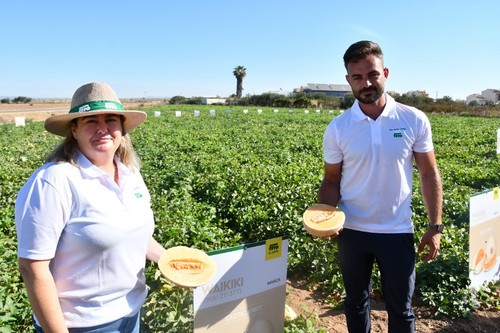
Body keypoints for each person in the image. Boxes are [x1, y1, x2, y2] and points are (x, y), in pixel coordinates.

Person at [15, 82, 166, 332]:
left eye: (111, 120)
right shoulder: (54, 181)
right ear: (74, 130)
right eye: (90, 121)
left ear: (122, 128)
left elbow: (135, 233)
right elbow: (33, 268)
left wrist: (175, 262)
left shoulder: (130, 173)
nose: (103, 129)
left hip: (131, 313)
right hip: (82, 325)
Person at [317, 41, 443, 333]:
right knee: (356, 303)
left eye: (372, 74)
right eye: (358, 77)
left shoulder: (412, 118)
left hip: (397, 230)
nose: (367, 83)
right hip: (353, 231)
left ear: (385, 72)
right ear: (348, 80)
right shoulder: (339, 127)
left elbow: (428, 173)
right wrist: (324, 215)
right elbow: (331, 180)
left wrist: (434, 226)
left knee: (401, 309)